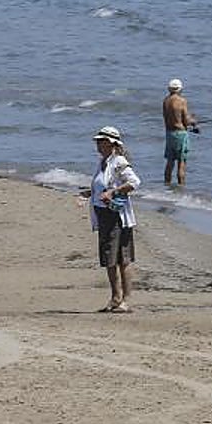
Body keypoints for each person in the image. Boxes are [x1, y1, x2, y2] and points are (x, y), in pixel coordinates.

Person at [87, 126, 141, 313]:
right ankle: (115, 297)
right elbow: (100, 186)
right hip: (103, 216)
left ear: (112, 144)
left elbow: (134, 182)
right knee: (109, 259)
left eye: (102, 141)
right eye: (98, 141)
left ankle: (125, 299)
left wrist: (113, 191)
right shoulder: (103, 162)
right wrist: (89, 193)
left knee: (123, 259)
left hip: (117, 216)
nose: (98, 145)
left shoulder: (119, 162)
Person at [163, 78, 197, 186]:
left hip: (169, 134)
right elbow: (186, 120)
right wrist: (193, 122)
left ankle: (166, 187)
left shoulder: (166, 101)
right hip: (180, 134)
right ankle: (181, 190)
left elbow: (169, 118)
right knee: (181, 163)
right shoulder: (182, 101)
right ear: (179, 89)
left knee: (170, 162)